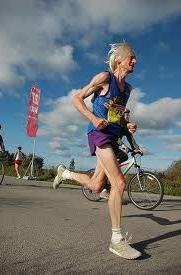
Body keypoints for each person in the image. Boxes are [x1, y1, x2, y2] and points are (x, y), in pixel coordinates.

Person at [53, 42, 141, 259]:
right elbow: (76, 99)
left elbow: (116, 115)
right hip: (98, 134)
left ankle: (64, 173)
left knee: (95, 185)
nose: (135, 61)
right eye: (131, 57)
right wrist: (93, 118)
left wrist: (125, 124)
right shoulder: (104, 78)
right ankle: (117, 240)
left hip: (112, 136)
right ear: (119, 59)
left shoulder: (127, 89)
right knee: (119, 182)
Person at [99, 108, 143, 200]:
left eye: (128, 115)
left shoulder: (126, 126)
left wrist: (137, 148)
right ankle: (104, 190)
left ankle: (111, 176)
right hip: (107, 143)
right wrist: (123, 146)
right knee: (123, 156)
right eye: (126, 115)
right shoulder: (117, 123)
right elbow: (115, 136)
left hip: (114, 145)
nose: (128, 117)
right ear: (121, 116)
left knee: (123, 157)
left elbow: (130, 138)